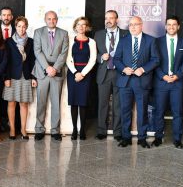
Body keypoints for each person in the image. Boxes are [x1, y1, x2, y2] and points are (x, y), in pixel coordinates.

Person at [113, 16, 159, 148]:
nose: (133, 27)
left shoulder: (150, 40)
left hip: (142, 81)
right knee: (125, 110)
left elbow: (155, 59)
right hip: (125, 81)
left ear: (142, 25)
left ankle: (142, 138)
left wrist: (143, 69)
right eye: (130, 24)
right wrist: (123, 69)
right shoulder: (123, 41)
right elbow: (116, 59)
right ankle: (126, 137)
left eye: (136, 24)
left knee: (142, 111)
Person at [33, 10, 69, 141]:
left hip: (57, 72)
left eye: (54, 19)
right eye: (49, 18)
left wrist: (55, 68)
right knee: (41, 102)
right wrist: (47, 67)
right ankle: (39, 129)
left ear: (57, 20)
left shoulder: (64, 33)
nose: (51, 21)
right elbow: (37, 51)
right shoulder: (38, 32)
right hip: (42, 72)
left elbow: (63, 53)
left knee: (56, 103)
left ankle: (55, 130)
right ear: (45, 19)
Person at [152, 16, 183, 148]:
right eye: (169, 24)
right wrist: (163, 76)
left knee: (177, 112)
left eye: (174, 25)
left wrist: (178, 75)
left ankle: (177, 139)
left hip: (177, 83)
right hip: (161, 82)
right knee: (159, 111)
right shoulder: (157, 42)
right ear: (165, 26)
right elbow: (154, 61)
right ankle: (158, 137)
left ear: (178, 26)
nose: (171, 27)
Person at [3, 16, 37, 140]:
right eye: (19, 26)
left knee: (24, 103)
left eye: (24, 26)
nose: (21, 29)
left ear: (26, 27)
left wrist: (34, 77)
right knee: (11, 103)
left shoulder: (31, 42)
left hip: (26, 75)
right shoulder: (8, 42)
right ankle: (12, 128)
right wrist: (6, 77)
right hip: (12, 76)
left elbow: (34, 60)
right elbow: (6, 61)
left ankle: (23, 129)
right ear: (15, 27)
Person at [94, 10, 125, 141]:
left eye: (111, 18)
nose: (108, 20)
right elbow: (92, 55)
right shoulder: (98, 34)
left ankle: (118, 132)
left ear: (116, 20)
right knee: (102, 103)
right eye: (106, 18)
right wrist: (101, 57)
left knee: (118, 104)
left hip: (120, 73)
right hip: (104, 73)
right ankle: (102, 130)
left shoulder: (125, 34)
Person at [66, 17, 97, 140]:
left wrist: (82, 74)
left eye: (84, 25)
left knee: (83, 103)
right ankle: (74, 130)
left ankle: (82, 130)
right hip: (72, 74)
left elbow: (93, 59)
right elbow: (68, 58)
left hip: (86, 74)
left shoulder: (92, 42)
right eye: (79, 24)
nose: (81, 27)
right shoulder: (70, 40)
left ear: (87, 27)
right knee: (74, 102)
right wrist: (75, 73)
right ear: (75, 26)